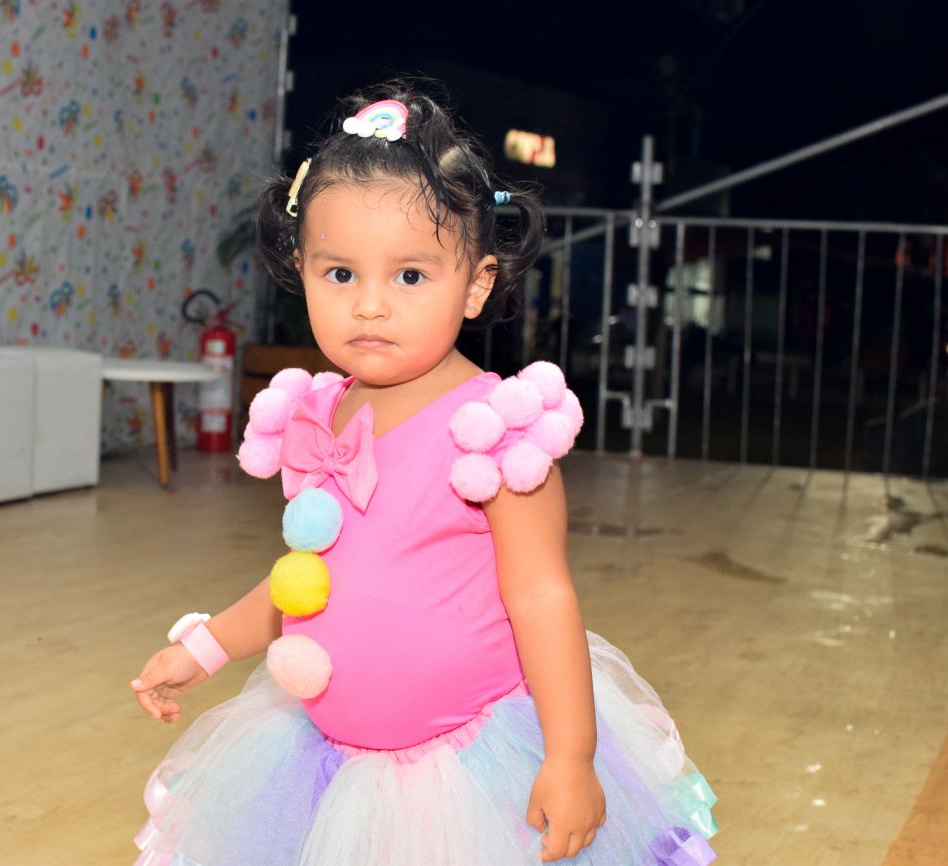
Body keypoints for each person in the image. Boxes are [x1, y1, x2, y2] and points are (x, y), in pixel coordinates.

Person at [130, 80, 717, 865]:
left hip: (466, 778)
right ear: (301, 269)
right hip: (326, 768)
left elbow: (542, 598)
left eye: (410, 276)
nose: (370, 306)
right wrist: (203, 648)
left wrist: (571, 756)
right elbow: (305, 584)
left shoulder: (494, 436)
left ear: (475, 284)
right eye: (341, 274)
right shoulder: (317, 415)